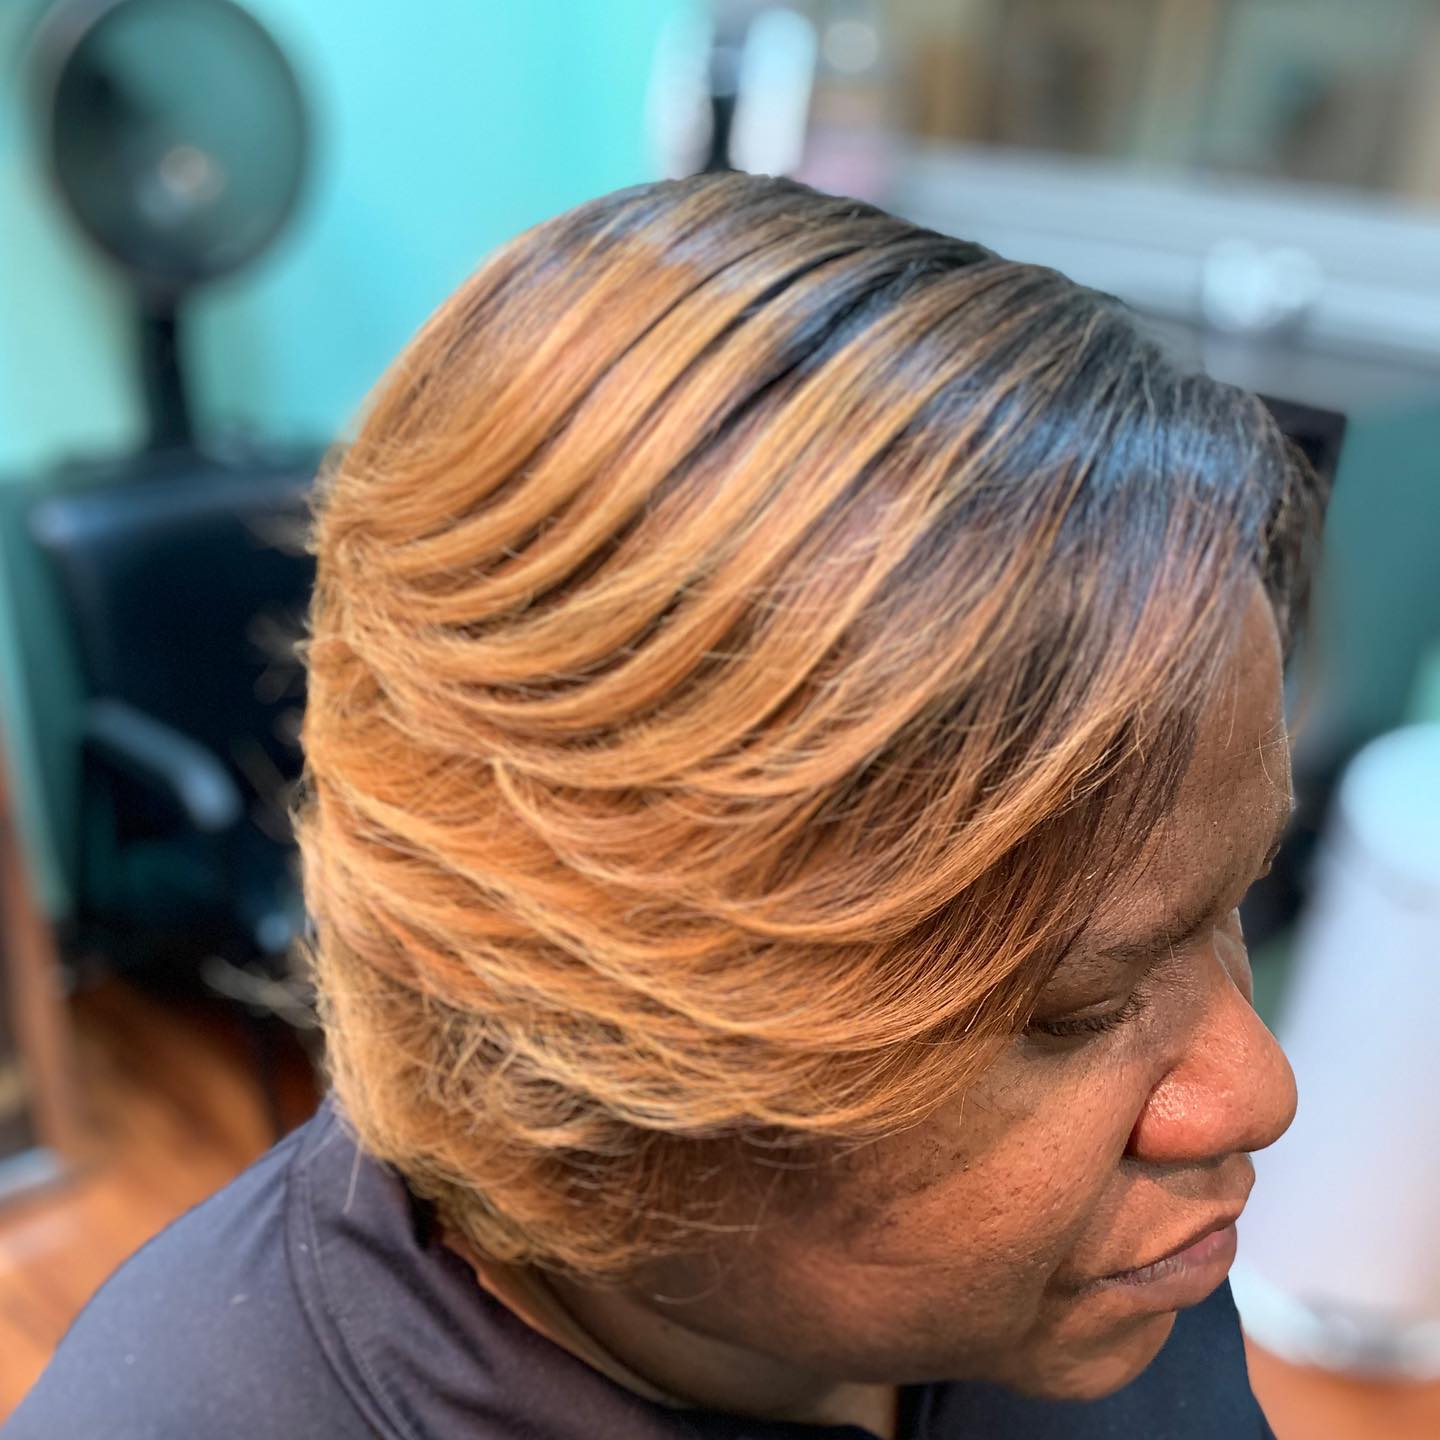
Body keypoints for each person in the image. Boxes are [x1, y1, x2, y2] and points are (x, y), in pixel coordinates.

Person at [6, 171, 1325, 1439]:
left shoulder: (1117, 1262)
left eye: (1231, 907)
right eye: (1079, 1010)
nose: (1256, 1092)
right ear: (586, 1038)